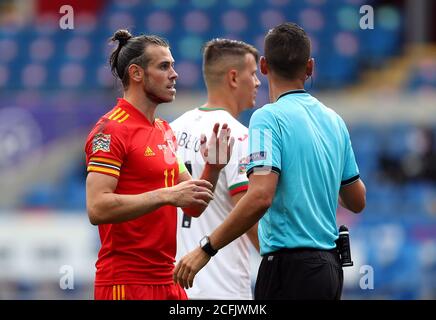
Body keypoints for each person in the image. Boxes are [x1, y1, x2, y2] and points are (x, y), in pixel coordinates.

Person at [173, 22, 366, 300]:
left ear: (264, 66)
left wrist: (206, 249)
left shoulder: (267, 118)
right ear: (309, 67)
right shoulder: (334, 121)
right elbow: (357, 200)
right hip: (329, 269)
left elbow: (260, 197)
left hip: (288, 268)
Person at [84, 29, 233, 300]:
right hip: (125, 282)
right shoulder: (110, 130)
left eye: (173, 66)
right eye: (164, 66)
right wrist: (167, 195)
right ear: (137, 73)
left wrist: (213, 168)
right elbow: (97, 207)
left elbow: (192, 205)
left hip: (167, 279)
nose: (174, 74)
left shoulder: (164, 129)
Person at [170, 38, 261, 300]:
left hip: (177, 285)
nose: (256, 82)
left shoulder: (171, 131)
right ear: (234, 78)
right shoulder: (239, 136)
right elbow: (250, 215)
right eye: (252, 74)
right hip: (222, 288)